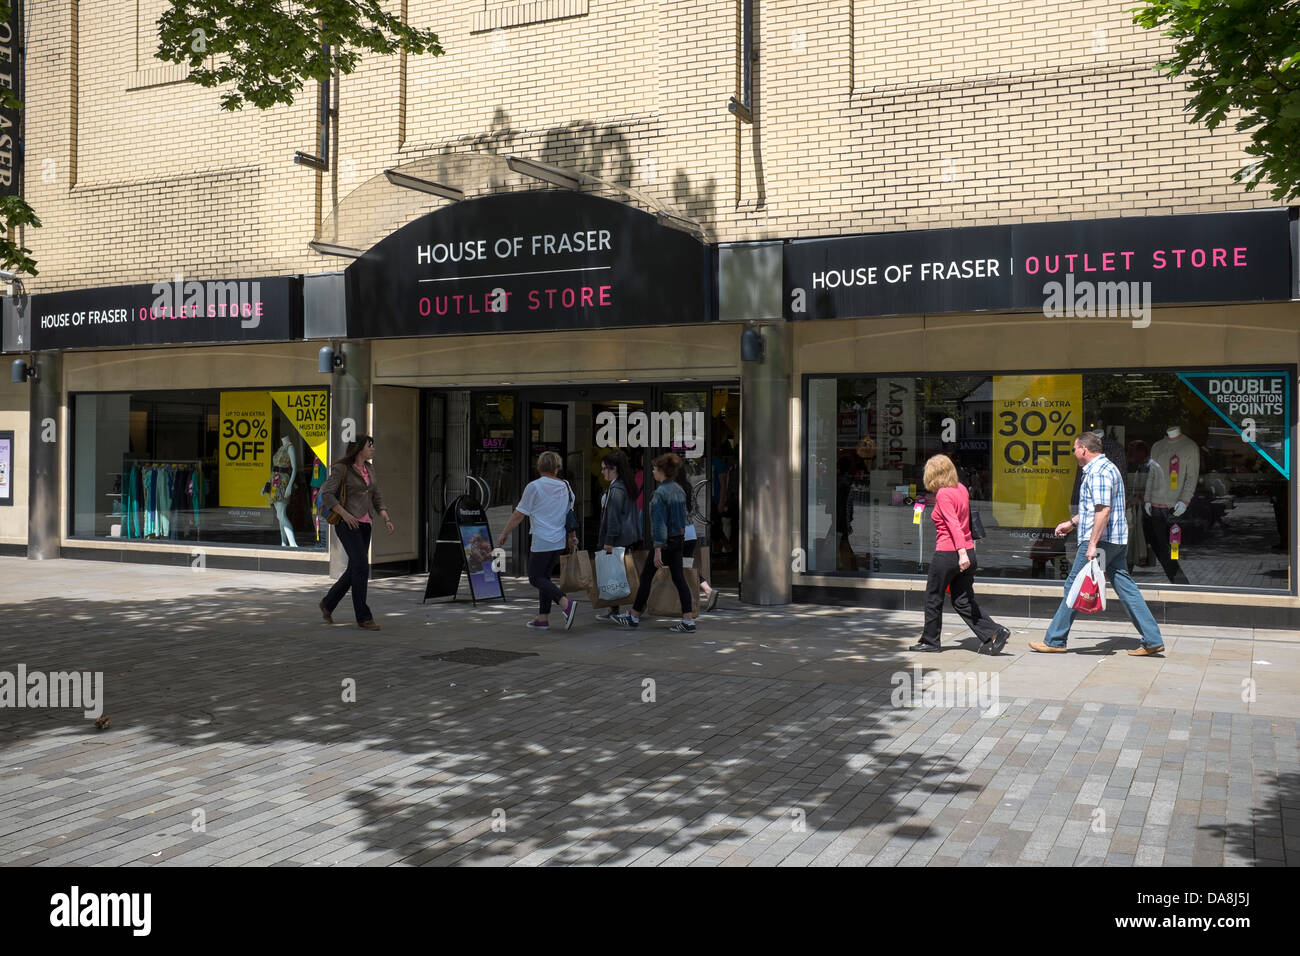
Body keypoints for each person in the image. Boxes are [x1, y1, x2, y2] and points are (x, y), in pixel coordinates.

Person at [1029, 432, 1166, 656]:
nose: (1073, 453)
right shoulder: (1105, 469)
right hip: (1114, 539)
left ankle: (1055, 639)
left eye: (1074, 449)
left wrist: (1092, 544)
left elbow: (1103, 511)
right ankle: (1152, 639)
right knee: (1125, 586)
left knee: (1073, 585)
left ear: (1083, 449)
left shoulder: (1099, 472)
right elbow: (1095, 508)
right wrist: (1072, 523)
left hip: (1101, 540)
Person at [911, 454, 1011, 654]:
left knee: (933, 597)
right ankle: (996, 631)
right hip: (967, 551)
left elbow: (953, 524)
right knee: (962, 600)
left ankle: (930, 641)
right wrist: (966, 553)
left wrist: (961, 554)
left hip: (949, 553)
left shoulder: (943, 494)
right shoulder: (961, 489)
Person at [497, 450, 580, 631]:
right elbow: (569, 514)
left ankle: (565, 602)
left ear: (539, 466)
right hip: (558, 541)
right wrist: (572, 537)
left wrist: (504, 532)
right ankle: (542, 618)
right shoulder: (566, 486)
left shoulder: (534, 487)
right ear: (556, 468)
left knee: (535, 578)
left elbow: (519, 514)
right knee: (545, 578)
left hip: (542, 540)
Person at [318, 436, 395, 630]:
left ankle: (328, 603)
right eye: (370, 446)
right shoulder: (341, 468)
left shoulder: (369, 469)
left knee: (355, 568)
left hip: (365, 523)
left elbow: (376, 496)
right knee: (361, 567)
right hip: (347, 523)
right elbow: (327, 494)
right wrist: (344, 515)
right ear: (359, 449)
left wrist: (386, 518)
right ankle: (364, 617)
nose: (373, 449)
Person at [612, 453, 695, 632]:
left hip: (664, 542)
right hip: (678, 539)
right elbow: (682, 519)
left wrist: (657, 549)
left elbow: (659, 524)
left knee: (647, 576)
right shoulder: (678, 489)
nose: (652, 472)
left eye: (655, 469)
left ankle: (634, 615)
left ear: (662, 471)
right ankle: (688, 619)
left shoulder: (660, 493)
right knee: (679, 579)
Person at [596, 451, 643, 621]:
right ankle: (625, 607)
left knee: (614, 574)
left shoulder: (616, 489)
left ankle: (617, 609)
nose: (602, 472)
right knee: (622, 573)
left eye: (604, 469)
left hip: (618, 538)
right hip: (628, 536)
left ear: (613, 468)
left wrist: (608, 541)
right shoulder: (626, 485)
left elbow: (613, 518)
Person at [674, 465, 719, 613]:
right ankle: (706, 590)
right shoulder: (688, 488)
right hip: (690, 533)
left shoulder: (673, 490)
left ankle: (688, 600)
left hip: (679, 533)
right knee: (686, 567)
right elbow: (695, 510)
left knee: (677, 568)